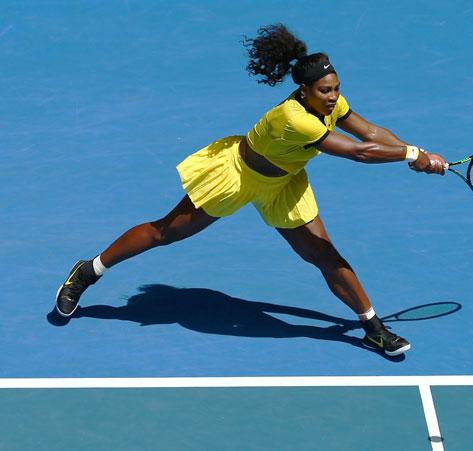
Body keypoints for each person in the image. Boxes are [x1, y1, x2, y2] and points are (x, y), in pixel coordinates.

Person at [55, 24, 447, 356]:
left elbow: (371, 132)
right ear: (305, 90)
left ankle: (373, 326)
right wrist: (411, 154)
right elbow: (360, 153)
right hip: (238, 176)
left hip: (284, 183)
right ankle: (87, 272)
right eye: (325, 91)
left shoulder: (328, 104)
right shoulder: (296, 121)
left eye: (336, 89)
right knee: (166, 232)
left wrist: (419, 153)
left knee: (324, 253)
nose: (332, 97)